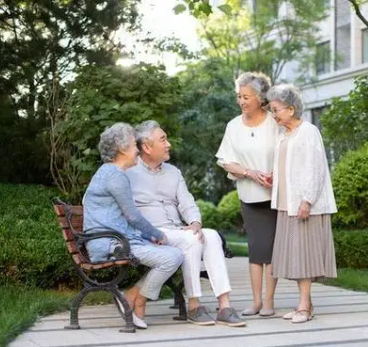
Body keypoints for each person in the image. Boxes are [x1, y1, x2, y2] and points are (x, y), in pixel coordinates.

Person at [126, 120, 245, 327]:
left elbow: (187, 202)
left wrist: (195, 222)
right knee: (191, 240)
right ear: (146, 147)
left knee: (211, 235)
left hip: (177, 231)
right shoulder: (129, 172)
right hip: (152, 234)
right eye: (163, 140)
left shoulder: (173, 172)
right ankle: (194, 305)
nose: (168, 144)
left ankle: (224, 305)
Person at [83, 122, 183, 330]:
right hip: (110, 244)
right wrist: (157, 234)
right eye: (133, 145)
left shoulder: (110, 173)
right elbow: (133, 216)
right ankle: (134, 298)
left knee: (172, 254)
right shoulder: (114, 175)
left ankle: (132, 297)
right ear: (121, 149)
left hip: (116, 239)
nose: (137, 149)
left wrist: (148, 237)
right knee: (172, 256)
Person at [267, 84, 337, 324]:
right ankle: (305, 303)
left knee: (304, 256)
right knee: (296, 257)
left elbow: (315, 167)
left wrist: (307, 199)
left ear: (291, 108)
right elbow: (288, 166)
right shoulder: (283, 135)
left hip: (305, 204)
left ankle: (304, 307)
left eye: (276, 109)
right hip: (287, 204)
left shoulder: (308, 131)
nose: (273, 114)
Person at [215, 72, 279, 316]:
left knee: (272, 250)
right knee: (256, 248)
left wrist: (275, 173)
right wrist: (249, 173)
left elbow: (287, 152)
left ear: (260, 97)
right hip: (249, 196)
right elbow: (226, 162)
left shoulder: (274, 122)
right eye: (239, 96)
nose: (241, 101)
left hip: (275, 196)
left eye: (246, 97)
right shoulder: (233, 126)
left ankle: (270, 301)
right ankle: (256, 302)